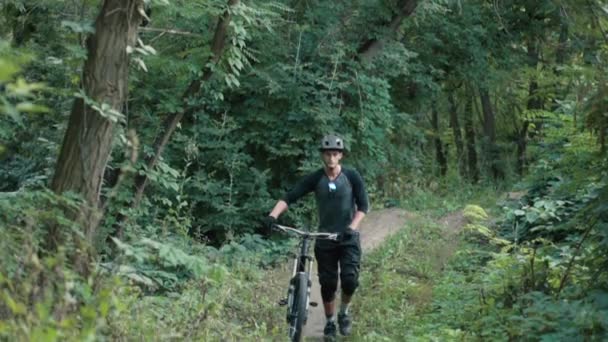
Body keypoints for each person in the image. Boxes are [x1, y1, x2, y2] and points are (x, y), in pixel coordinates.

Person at [263, 134, 369, 340]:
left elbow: (363, 206)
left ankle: (343, 314)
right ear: (323, 155)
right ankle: (330, 323)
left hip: (348, 238)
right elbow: (290, 196)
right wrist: (272, 215)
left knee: (349, 280)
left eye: (335, 154)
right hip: (324, 238)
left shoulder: (351, 176)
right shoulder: (316, 178)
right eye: (328, 154)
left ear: (341, 156)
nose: (331, 158)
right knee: (328, 284)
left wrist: (352, 227)